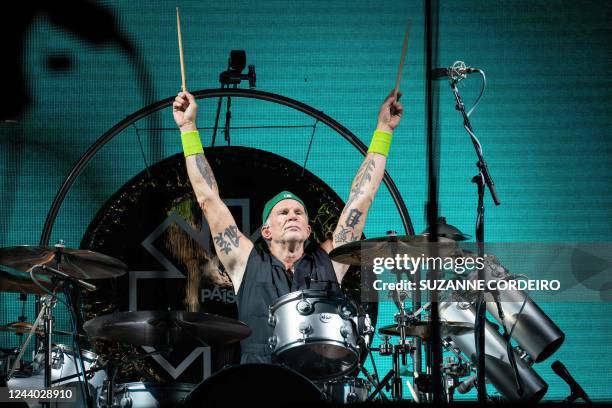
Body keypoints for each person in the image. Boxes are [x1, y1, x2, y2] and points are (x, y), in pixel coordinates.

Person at [173, 90, 403, 363]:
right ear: (266, 232)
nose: (292, 215)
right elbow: (208, 200)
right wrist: (188, 127)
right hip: (260, 386)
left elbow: (360, 200)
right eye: (282, 212)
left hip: (318, 386)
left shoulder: (329, 261)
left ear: (308, 231)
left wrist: (384, 130)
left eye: (298, 212)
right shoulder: (247, 262)